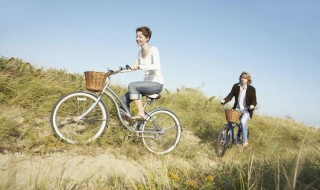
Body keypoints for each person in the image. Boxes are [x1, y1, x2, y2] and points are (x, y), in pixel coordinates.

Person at [121, 26, 164, 120]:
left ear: (147, 38)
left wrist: (140, 66)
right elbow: (133, 66)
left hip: (156, 84)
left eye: (140, 37)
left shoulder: (154, 50)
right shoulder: (140, 52)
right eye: (136, 36)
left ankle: (141, 113)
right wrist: (119, 71)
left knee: (132, 85)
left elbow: (156, 66)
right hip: (147, 84)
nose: (137, 39)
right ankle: (127, 122)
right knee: (123, 99)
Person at [220, 72, 257, 147]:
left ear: (248, 80)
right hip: (237, 109)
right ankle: (227, 139)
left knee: (243, 122)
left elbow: (254, 99)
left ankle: (244, 141)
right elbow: (230, 95)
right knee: (230, 122)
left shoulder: (251, 89)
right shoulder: (236, 86)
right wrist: (224, 100)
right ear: (240, 78)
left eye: (245, 78)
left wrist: (252, 105)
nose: (243, 79)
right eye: (242, 77)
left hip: (246, 109)